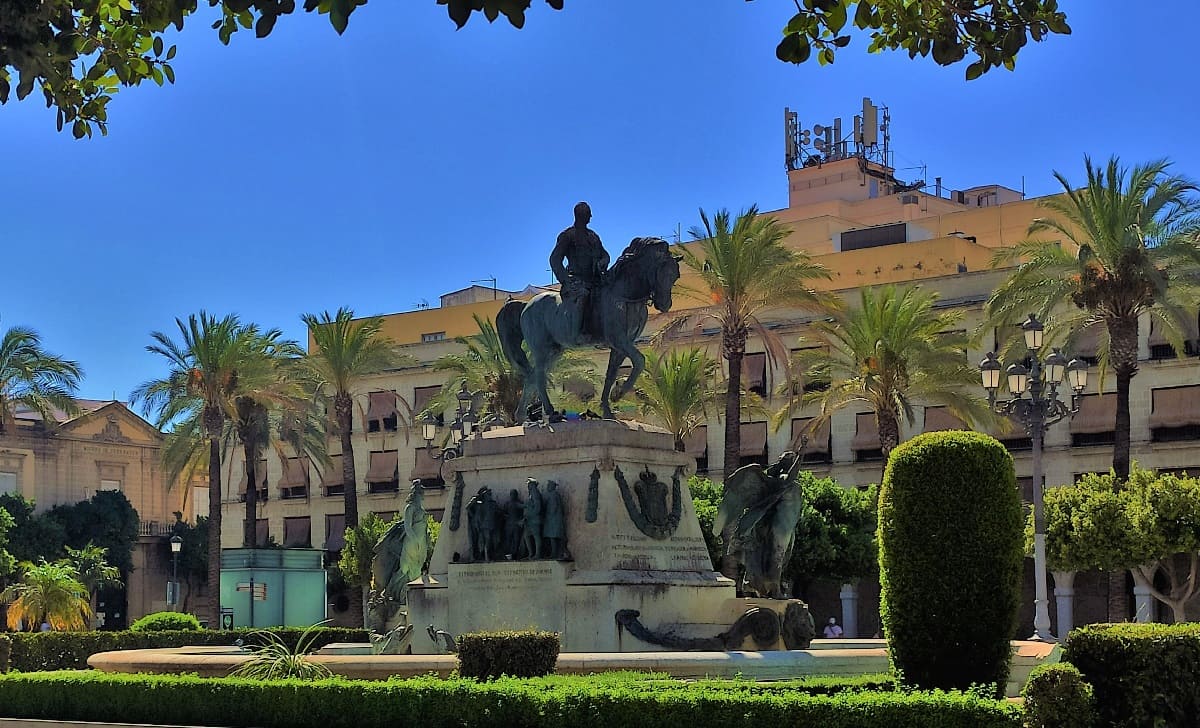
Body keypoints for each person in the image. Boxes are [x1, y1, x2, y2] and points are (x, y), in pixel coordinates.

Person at [549, 201, 610, 341]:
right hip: (576, 281)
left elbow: (605, 254)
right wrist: (566, 280)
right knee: (583, 295)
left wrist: (603, 262)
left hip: (595, 280)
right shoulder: (567, 236)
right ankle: (576, 333)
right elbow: (555, 260)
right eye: (588, 214)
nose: (591, 216)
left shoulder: (593, 236)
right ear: (581, 215)